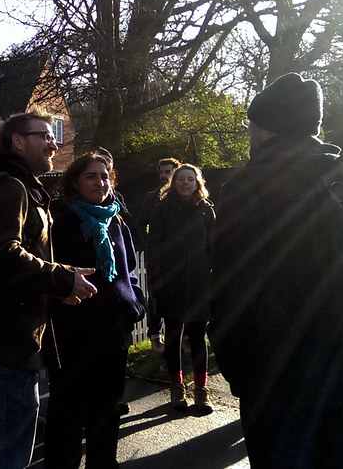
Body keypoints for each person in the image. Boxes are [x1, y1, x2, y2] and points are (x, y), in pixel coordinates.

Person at [210, 72, 343, 468]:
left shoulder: (248, 186)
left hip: (276, 364)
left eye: (250, 124)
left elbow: (230, 286)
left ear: (266, 125)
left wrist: (237, 368)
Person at [0, 110, 97, 469]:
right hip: (5, 335)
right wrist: (63, 279)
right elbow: (2, 254)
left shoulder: (13, 183)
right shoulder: (10, 186)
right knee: (8, 438)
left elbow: (17, 259)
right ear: (18, 141)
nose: (54, 143)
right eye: (45, 136)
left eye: (54, 136)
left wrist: (58, 283)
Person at [43, 149, 146, 468]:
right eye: (91, 176)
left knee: (108, 408)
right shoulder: (57, 219)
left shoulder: (115, 220)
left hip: (113, 329)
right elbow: (44, 271)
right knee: (67, 411)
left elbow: (127, 268)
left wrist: (135, 302)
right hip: (72, 331)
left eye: (105, 176)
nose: (101, 182)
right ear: (74, 181)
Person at [147, 163, 215, 413]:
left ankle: (201, 390)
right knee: (173, 337)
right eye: (181, 179)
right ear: (173, 183)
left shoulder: (207, 211)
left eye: (190, 179)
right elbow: (153, 249)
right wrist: (157, 281)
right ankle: (177, 387)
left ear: (198, 183)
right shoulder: (161, 210)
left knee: (198, 337)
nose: (186, 183)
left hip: (199, 285)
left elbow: (213, 248)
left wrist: (213, 279)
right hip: (171, 284)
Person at [137, 157, 180, 352]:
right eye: (161, 172)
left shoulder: (187, 197)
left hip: (180, 257)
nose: (164, 176)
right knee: (156, 295)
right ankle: (155, 337)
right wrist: (150, 243)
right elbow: (140, 223)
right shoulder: (151, 197)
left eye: (168, 172)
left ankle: (185, 338)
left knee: (183, 295)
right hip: (158, 256)